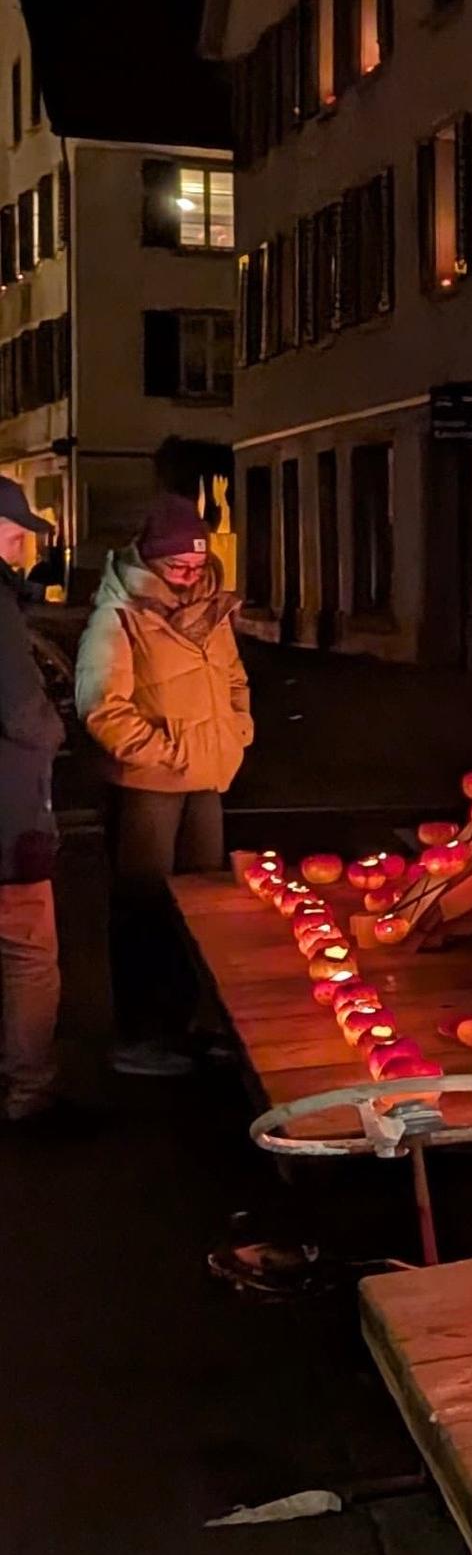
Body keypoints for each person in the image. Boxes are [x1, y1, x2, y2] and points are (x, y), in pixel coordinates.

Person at [76, 492, 252, 1076]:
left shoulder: (212, 609)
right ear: (150, 560)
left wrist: (238, 731)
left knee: (201, 905)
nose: (188, 576)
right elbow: (102, 708)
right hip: (149, 784)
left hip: (207, 775)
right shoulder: (118, 616)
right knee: (145, 905)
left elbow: (233, 679)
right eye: (177, 566)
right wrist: (168, 753)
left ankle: (190, 1023)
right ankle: (141, 1034)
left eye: (198, 566)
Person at [0, 476, 66, 1128]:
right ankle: (31, 1092)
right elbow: (22, 709)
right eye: (14, 527)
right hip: (8, 812)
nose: (22, 541)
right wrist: (55, 729)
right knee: (28, 952)